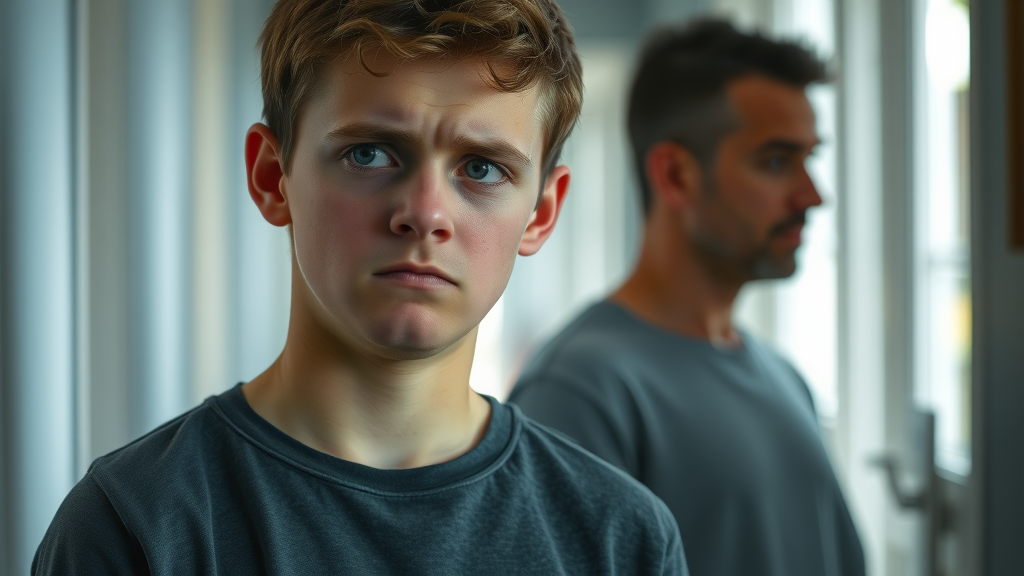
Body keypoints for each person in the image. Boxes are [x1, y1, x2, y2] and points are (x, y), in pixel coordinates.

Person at [32, 1, 688, 574]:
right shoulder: (135, 529)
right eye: (370, 153)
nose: (425, 213)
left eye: (481, 167)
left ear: (541, 213)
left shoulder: (619, 538)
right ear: (271, 176)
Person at [509, 19, 865, 576]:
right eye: (776, 161)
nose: (812, 194)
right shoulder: (581, 390)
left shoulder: (783, 377)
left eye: (809, 158)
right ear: (674, 175)